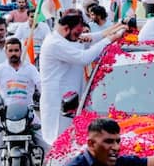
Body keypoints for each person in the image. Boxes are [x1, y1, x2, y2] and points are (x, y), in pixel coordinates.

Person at [39, 11, 126, 143]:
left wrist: (117, 27)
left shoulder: (65, 38)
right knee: (58, 142)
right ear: (66, 28)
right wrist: (111, 39)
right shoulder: (54, 43)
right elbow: (84, 58)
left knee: (72, 140)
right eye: (76, 33)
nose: (78, 37)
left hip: (73, 101)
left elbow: (92, 37)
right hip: (58, 104)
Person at [0, 37, 47, 166]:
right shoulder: (0, 69)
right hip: (6, 114)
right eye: (10, 50)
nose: (13, 53)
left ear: (21, 51)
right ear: (6, 52)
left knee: (46, 143)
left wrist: (45, 95)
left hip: (28, 113)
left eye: (16, 50)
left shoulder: (30, 68)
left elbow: (41, 85)